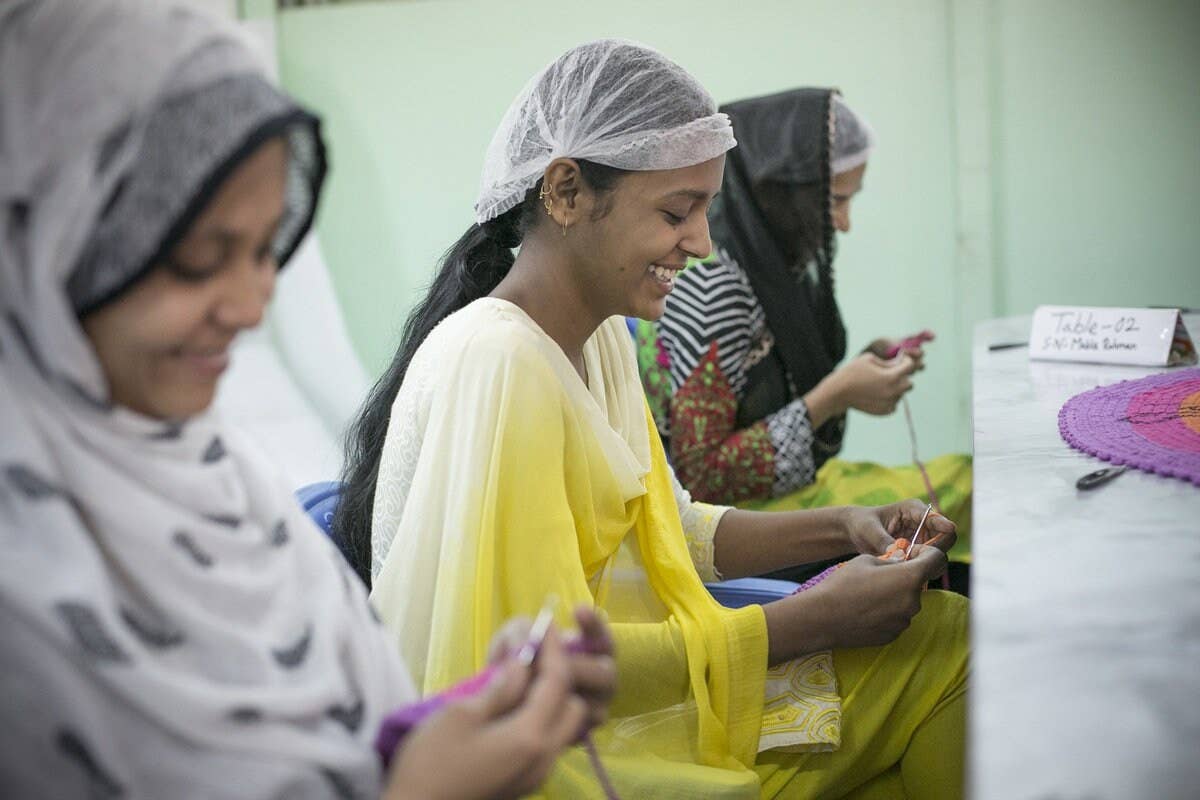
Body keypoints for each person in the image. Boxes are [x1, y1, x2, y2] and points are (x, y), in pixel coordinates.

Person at [0, 3, 612, 798]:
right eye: (199, 258)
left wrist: (472, 716)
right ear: (47, 239)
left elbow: (350, 735)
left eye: (264, 252)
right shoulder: (25, 568)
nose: (253, 307)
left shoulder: (217, 475)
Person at [342, 40, 969, 798]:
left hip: (634, 705)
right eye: (678, 211)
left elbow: (672, 525)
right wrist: (813, 620)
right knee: (953, 654)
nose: (703, 244)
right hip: (568, 753)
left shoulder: (598, 332)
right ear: (565, 192)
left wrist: (844, 527)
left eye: (707, 208)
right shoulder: (502, 363)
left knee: (941, 640)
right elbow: (536, 671)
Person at [641, 88, 972, 572]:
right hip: (743, 523)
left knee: (968, 480)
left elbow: (776, 380)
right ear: (783, 190)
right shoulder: (713, 285)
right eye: (833, 201)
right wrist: (835, 395)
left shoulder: (773, 259)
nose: (843, 222)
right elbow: (702, 477)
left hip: (792, 495)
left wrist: (861, 369)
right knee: (960, 501)